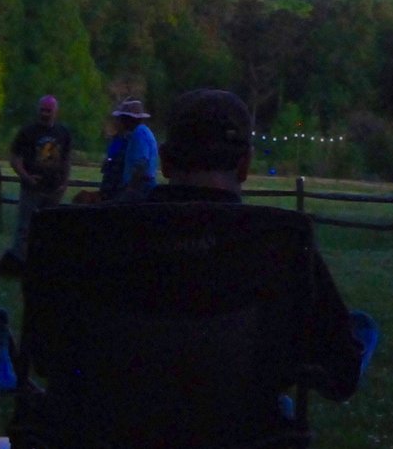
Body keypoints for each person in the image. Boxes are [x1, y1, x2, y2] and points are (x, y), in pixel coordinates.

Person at [153, 88, 371, 399]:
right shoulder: (280, 240)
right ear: (244, 165)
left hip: (123, 436)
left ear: (164, 161)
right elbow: (341, 375)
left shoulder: (111, 234)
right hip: (241, 435)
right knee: (362, 328)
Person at [0, 95, 75, 277]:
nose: (45, 114)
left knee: (50, 229)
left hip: (53, 189)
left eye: (48, 110)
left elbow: (66, 159)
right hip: (32, 189)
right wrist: (26, 177)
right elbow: (15, 159)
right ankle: (19, 265)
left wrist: (64, 182)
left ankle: (45, 265)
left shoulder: (63, 133)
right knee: (25, 228)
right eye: (42, 110)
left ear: (55, 112)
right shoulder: (28, 132)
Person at [98, 99, 160, 205]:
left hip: (140, 186)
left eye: (122, 118)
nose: (120, 121)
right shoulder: (133, 135)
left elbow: (141, 164)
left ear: (128, 119)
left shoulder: (139, 134)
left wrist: (131, 189)